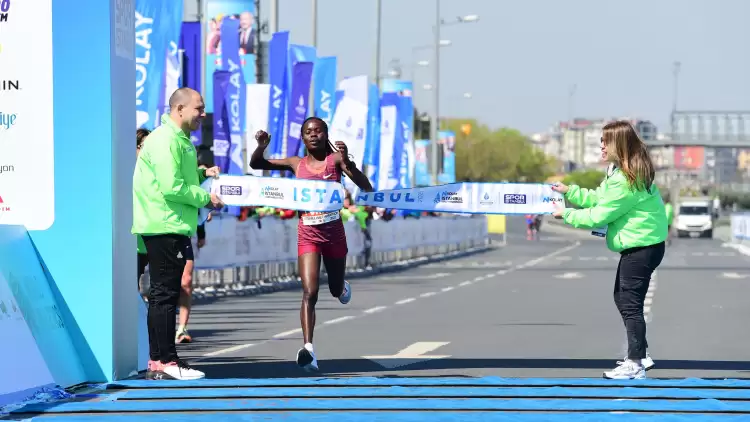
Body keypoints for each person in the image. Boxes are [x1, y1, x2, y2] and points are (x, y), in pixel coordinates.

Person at [249, 117, 373, 371]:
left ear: (325, 134)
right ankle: (309, 350)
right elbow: (257, 163)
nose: (313, 135)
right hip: (308, 233)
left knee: (335, 290)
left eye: (318, 131)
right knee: (309, 292)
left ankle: (341, 287)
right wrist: (261, 146)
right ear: (303, 138)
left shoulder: (335, 160)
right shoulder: (297, 164)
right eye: (308, 132)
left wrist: (347, 161)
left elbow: (365, 186)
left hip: (334, 234)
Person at [551, 120, 667, 380]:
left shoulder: (626, 181)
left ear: (619, 145)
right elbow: (599, 198)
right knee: (622, 298)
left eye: (605, 142)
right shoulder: (619, 173)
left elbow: (598, 215)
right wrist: (570, 191)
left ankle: (635, 361)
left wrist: (566, 214)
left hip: (642, 246)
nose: (601, 146)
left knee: (630, 302)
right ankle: (640, 354)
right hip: (643, 244)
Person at [133, 87, 224, 380]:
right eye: (199, 108)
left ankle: (160, 362)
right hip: (163, 225)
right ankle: (165, 362)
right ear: (180, 109)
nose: (203, 114)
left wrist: (202, 176)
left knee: (165, 295)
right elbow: (171, 187)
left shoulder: (180, 140)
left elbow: (180, 179)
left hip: (172, 225)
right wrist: (205, 197)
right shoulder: (164, 139)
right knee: (163, 295)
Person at [136, 128, 151, 303]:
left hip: (152, 237)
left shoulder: (156, 171)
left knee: (157, 289)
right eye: (142, 146)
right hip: (131, 242)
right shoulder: (123, 172)